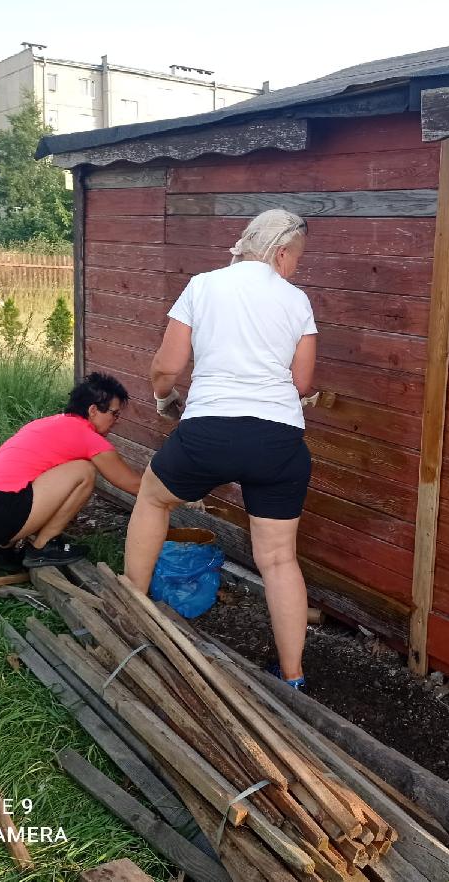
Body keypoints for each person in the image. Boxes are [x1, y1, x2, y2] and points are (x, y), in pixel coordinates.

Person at [124, 209, 316, 689]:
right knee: (279, 558)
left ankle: (132, 612)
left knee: (153, 499)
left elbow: (167, 367)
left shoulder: (203, 286)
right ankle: (292, 676)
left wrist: (164, 399)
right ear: (280, 253)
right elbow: (301, 383)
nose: (296, 268)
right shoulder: (297, 300)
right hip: (278, 441)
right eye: (296, 259)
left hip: (208, 431)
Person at [0, 372, 142, 569]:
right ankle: (43, 547)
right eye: (114, 414)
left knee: (46, 473)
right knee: (85, 471)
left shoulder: (47, 423)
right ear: (93, 410)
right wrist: (166, 488)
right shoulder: (87, 436)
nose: (116, 420)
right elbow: (132, 484)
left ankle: (1, 547)